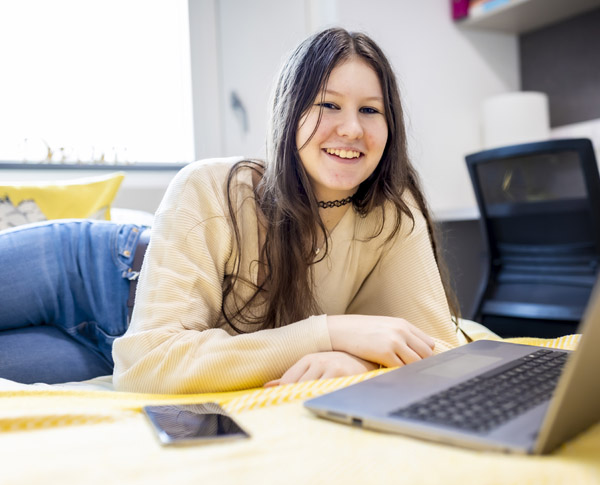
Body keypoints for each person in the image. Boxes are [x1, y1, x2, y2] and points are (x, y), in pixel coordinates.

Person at [0, 28, 467, 391]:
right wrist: (327, 333)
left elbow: (438, 348)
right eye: (328, 104)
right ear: (289, 113)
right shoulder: (212, 187)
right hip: (91, 270)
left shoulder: (390, 210)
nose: (351, 128)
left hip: (122, 344)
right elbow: (153, 359)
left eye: (371, 110)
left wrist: (357, 360)